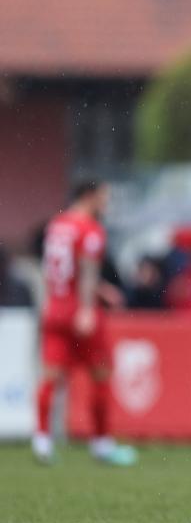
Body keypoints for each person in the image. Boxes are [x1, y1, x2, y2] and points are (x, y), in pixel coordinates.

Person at [34, 178, 137, 466]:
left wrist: (98, 291)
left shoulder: (56, 226)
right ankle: (102, 443)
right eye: (104, 196)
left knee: (50, 377)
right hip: (80, 311)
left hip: (54, 308)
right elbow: (88, 268)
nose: (107, 203)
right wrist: (88, 308)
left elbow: (57, 269)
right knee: (102, 373)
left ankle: (41, 442)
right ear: (89, 196)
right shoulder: (90, 229)